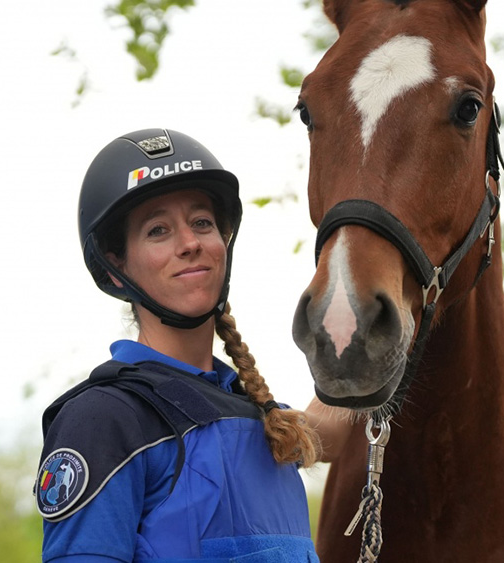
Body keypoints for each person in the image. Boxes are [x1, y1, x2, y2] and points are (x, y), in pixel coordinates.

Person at [35, 128, 321, 562]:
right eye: (158, 230)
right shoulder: (104, 419)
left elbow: (344, 418)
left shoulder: (267, 418)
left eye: (202, 222)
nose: (189, 244)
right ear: (116, 268)